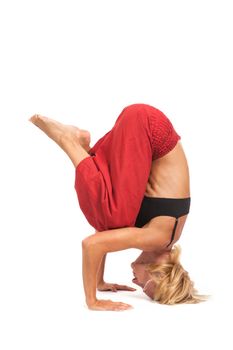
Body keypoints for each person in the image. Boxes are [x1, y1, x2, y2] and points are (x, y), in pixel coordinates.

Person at [29, 103, 208, 311]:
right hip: (148, 128)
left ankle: (83, 148)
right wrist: (92, 300)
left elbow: (104, 236)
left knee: (112, 221)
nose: (136, 283)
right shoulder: (157, 238)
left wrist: (100, 281)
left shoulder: (160, 238)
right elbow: (92, 245)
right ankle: (68, 140)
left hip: (145, 128)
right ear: (157, 275)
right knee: (114, 217)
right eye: (144, 287)